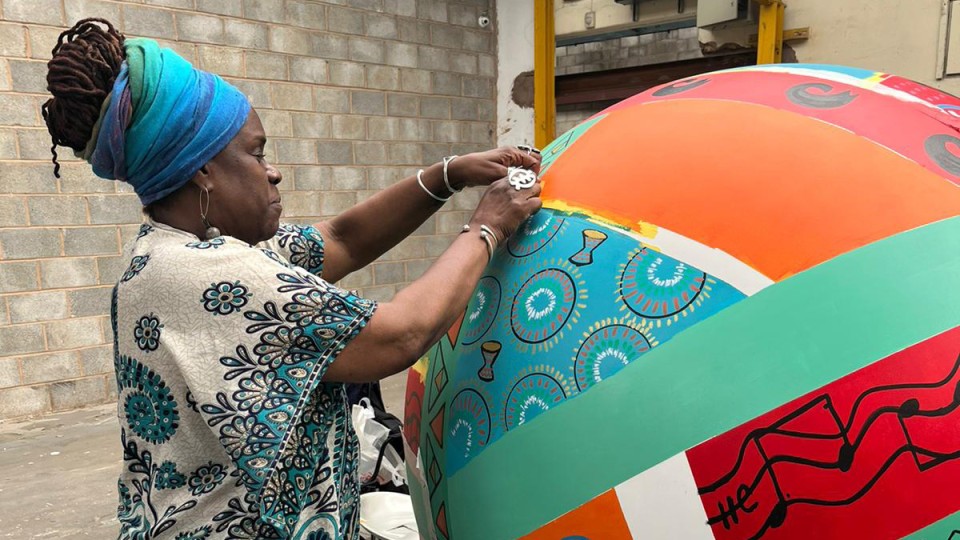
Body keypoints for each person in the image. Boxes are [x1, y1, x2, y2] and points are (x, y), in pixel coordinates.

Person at [42, 18, 541, 540]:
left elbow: (342, 239)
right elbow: (402, 334)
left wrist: (449, 173)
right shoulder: (213, 278)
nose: (272, 171)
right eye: (256, 153)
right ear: (203, 171)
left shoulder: (166, 257)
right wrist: (488, 226)